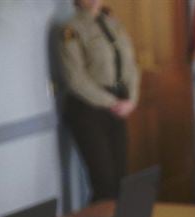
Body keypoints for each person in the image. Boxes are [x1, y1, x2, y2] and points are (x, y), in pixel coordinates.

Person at [59, 0, 140, 201]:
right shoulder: (71, 28)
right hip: (88, 110)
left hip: (118, 106)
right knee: (104, 183)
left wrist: (132, 99)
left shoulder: (114, 24)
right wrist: (111, 103)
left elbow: (131, 65)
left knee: (121, 181)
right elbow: (75, 79)